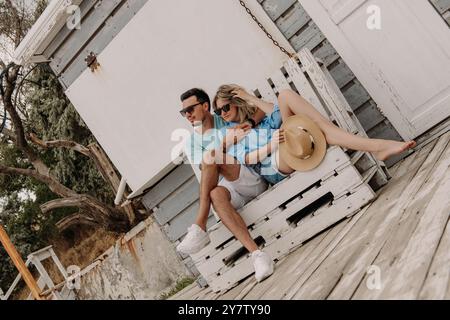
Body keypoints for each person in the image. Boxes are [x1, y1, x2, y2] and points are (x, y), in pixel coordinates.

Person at [177, 88, 274, 282]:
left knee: (212, 156)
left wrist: (247, 123)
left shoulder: (224, 114)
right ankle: (258, 255)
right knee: (215, 194)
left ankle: (200, 224)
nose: (187, 115)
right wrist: (224, 144)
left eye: (190, 109)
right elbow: (209, 170)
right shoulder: (192, 142)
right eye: (183, 112)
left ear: (205, 106)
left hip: (251, 175)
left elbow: (261, 110)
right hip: (230, 189)